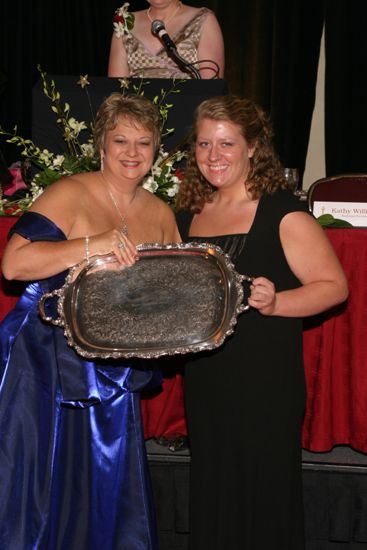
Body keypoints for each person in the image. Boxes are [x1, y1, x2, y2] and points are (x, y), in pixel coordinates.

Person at [0, 92, 180, 550]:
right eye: (121, 140)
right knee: (40, 490)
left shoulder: (159, 213)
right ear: (101, 144)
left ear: (156, 149)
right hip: (45, 363)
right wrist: (92, 244)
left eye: (143, 142)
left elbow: (174, 294)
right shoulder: (70, 192)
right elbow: (14, 264)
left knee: (101, 492)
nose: (132, 153)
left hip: (113, 366)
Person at [174, 95, 348, 550]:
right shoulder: (188, 214)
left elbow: (334, 287)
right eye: (205, 144)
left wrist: (277, 303)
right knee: (215, 491)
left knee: (264, 497)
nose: (214, 156)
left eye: (227, 144)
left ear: (253, 147)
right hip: (207, 378)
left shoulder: (281, 211)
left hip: (265, 381)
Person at [108, 1, 225, 79]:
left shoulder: (203, 20)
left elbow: (211, 95)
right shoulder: (125, 24)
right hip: (137, 114)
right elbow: (116, 95)